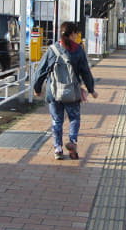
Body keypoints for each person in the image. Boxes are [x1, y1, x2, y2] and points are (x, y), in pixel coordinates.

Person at [33, 21, 98, 160]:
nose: (77, 35)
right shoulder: (78, 51)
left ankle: (58, 149)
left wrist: (37, 88)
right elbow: (85, 72)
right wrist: (91, 89)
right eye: (76, 33)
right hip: (72, 93)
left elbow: (41, 70)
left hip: (54, 93)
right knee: (74, 118)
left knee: (57, 121)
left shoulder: (52, 49)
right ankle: (73, 141)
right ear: (73, 34)